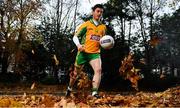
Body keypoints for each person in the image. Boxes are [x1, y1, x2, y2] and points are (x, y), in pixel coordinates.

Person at [66, 4, 106, 98]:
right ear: (93, 12)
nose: (99, 13)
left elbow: (103, 41)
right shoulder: (86, 24)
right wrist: (79, 45)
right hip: (83, 53)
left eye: (101, 12)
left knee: (98, 70)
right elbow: (75, 37)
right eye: (98, 11)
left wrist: (106, 45)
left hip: (95, 54)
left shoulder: (103, 28)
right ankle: (69, 88)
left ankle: (94, 93)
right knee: (75, 74)